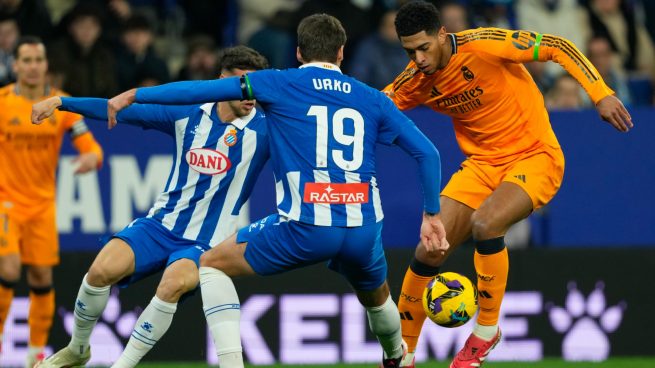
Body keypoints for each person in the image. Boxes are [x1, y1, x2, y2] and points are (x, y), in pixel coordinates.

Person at [106, 13, 449, 368]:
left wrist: (136, 93)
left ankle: (232, 364)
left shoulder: (276, 83)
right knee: (377, 298)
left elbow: (200, 90)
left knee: (210, 264)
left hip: (308, 226)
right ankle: (397, 355)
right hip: (363, 225)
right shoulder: (373, 98)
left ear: (299, 52)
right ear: (342, 53)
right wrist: (431, 214)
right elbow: (428, 152)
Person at [383, 2, 633, 367]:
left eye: (424, 48)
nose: (418, 59)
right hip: (482, 166)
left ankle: (485, 332)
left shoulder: (484, 43)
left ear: (441, 35)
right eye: (410, 51)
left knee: (486, 223)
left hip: (535, 156)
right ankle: (402, 356)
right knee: (429, 250)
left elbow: (558, 46)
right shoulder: (415, 80)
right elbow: (371, 108)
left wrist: (600, 92)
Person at [31, 46, 270, 368]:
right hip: (160, 224)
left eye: (256, 87)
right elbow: (116, 110)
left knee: (171, 285)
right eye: (241, 85)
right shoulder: (188, 115)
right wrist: (61, 102)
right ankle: (78, 348)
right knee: (100, 272)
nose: (249, 95)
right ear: (221, 81)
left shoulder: (268, 129)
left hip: (207, 241)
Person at [0, 36, 103, 368]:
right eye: (26, 60)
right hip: (5, 203)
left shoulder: (61, 105)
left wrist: (91, 159)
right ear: (15, 65)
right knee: (9, 268)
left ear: (46, 65)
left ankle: (35, 355)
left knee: (41, 277)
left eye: (38, 60)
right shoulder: (2, 103)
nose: (33, 66)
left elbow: (91, 146)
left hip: (42, 206)